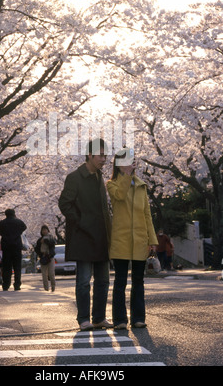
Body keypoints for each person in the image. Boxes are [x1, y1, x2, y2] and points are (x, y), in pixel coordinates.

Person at [58, 138, 112, 331]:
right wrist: (81, 222)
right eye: (101, 155)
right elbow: (64, 203)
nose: (104, 159)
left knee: (103, 281)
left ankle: (99, 317)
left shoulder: (100, 177)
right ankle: (83, 319)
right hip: (83, 236)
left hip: (101, 236)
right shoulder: (75, 177)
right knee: (83, 281)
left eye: (105, 155)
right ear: (90, 155)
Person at [107, 148, 158, 329]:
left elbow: (147, 215)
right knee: (120, 281)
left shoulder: (141, 186)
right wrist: (127, 176)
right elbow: (120, 195)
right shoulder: (112, 184)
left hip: (140, 239)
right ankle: (120, 320)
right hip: (120, 239)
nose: (131, 164)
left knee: (138, 281)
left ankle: (138, 318)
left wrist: (152, 240)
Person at [0, 208, 26, 291]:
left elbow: (0, 231)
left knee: (6, 267)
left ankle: (6, 284)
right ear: (14, 214)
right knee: (17, 267)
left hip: (6, 246)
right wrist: (18, 233)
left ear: (5, 214)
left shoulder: (1, 223)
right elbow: (24, 227)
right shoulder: (19, 222)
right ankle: (17, 285)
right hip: (16, 246)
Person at [35, 225, 56, 292]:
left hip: (50, 257)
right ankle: (46, 288)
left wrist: (46, 241)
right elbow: (36, 249)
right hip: (43, 257)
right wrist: (41, 254)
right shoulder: (39, 240)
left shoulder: (51, 238)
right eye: (43, 230)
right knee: (44, 274)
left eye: (45, 229)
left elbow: (52, 245)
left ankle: (53, 287)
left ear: (48, 230)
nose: (44, 231)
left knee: (51, 273)